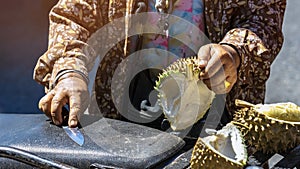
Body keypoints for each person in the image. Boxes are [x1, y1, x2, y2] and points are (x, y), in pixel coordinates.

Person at [34, 0, 286, 129]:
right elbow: (74, 15)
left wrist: (233, 52)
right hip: (124, 109)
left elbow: (263, 20)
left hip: (218, 109)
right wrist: (69, 69)